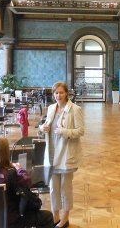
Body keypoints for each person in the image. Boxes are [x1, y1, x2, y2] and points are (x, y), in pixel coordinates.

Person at [0, 136, 54, 228]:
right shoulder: (10, 174)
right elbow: (27, 182)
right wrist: (20, 169)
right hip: (9, 222)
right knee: (48, 217)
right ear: (5, 154)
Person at [39, 82, 84, 228]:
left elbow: (80, 131)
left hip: (66, 154)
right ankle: (55, 217)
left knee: (65, 189)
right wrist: (42, 127)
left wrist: (65, 132)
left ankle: (65, 219)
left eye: (61, 92)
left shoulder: (75, 109)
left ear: (67, 94)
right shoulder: (52, 108)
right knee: (53, 188)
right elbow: (45, 124)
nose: (58, 95)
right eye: (56, 93)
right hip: (52, 153)